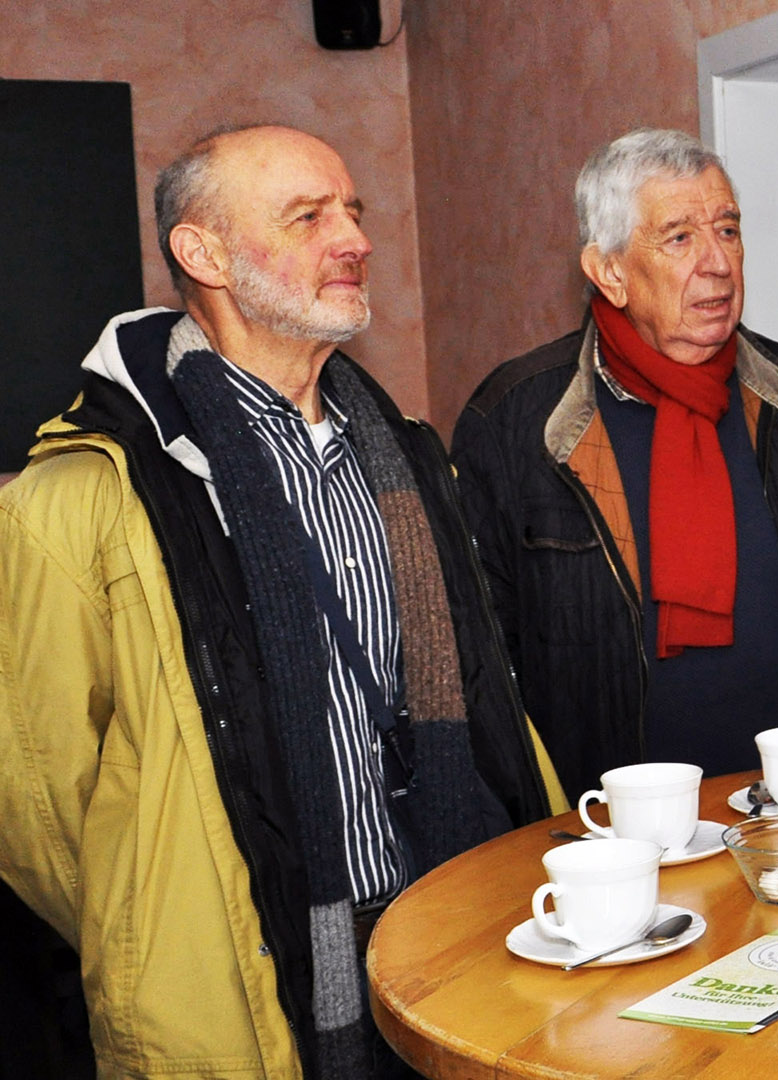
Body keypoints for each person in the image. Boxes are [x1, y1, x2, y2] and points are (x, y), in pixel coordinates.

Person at [0, 124, 559, 1078]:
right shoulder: (78, 501)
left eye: (352, 211)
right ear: (202, 252)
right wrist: (153, 923)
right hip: (237, 975)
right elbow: (34, 805)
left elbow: (486, 695)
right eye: (307, 217)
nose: (354, 238)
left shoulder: (410, 454)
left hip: (454, 924)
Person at [452, 128, 778, 798]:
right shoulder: (517, 423)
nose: (718, 262)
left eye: (727, 229)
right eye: (679, 237)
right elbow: (480, 665)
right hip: (611, 832)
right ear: (609, 271)